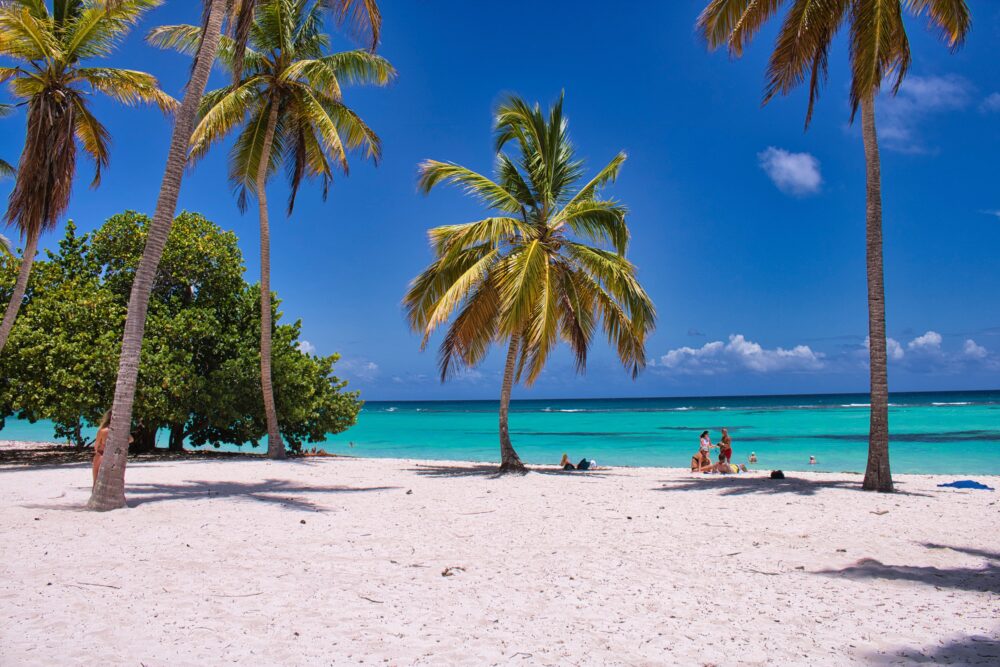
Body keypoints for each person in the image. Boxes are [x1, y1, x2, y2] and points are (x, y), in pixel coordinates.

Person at [92, 410, 112, 486]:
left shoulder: (103, 430)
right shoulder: (119, 431)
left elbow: (96, 446)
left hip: (101, 455)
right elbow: (131, 439)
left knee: (96, 480)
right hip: (114, 456)